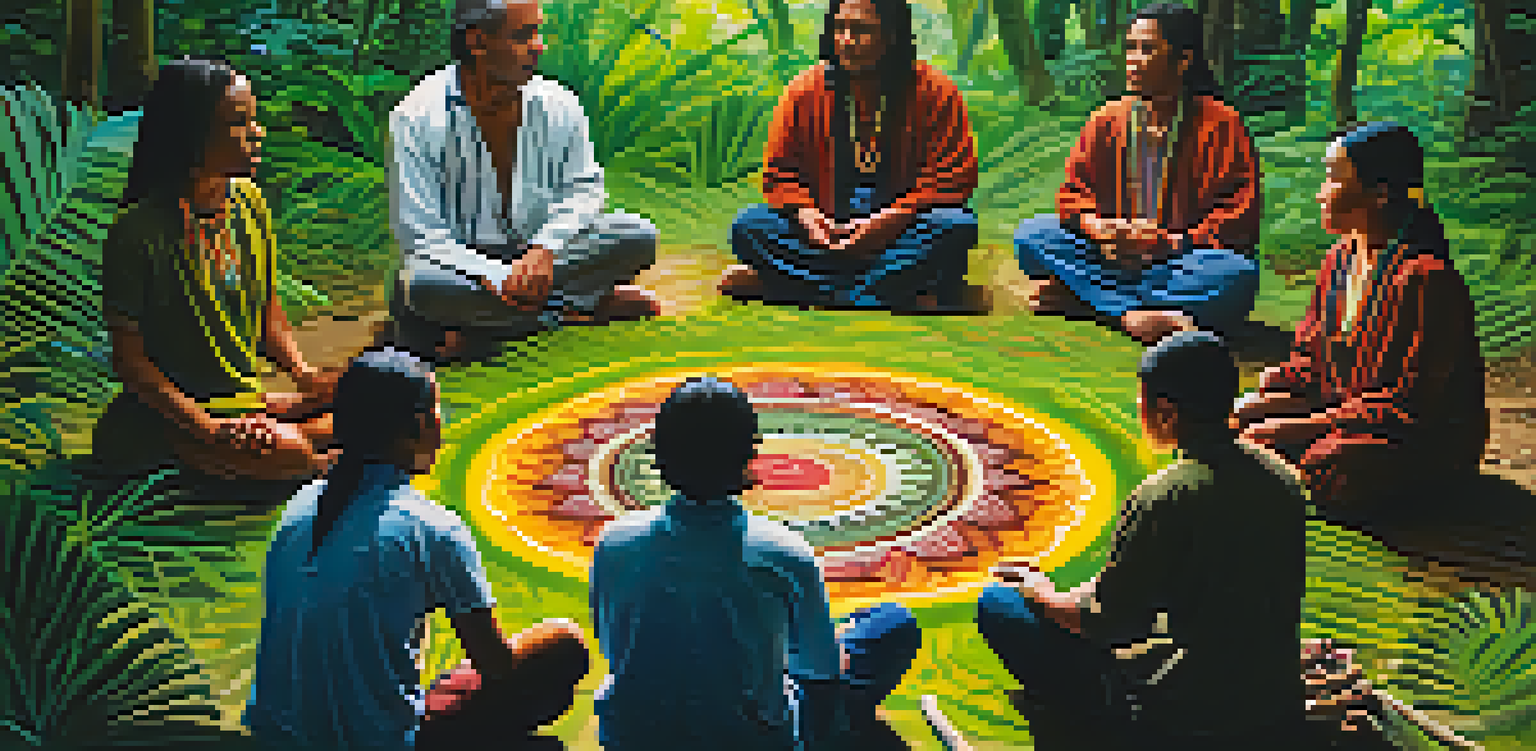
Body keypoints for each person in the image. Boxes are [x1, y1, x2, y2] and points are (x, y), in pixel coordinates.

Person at [244, 348, 589, 750]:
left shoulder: (298, 506)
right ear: (420, 426)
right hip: (377, 741)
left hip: (274, 737)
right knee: (562, 644)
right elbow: (496, 666)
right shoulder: (433, 527)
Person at [976, 332, 1306, 749]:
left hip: (1187, 714)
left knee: (999, 604)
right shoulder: (1281, 475)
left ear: (1166, 413)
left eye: (1142, 400)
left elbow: (1110, 624)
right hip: (1272, 698)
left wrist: (1038, 592)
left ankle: (1098, 716)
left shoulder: (1165, 496)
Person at [589, 376, 923, 750]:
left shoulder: (613, 544)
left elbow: (612, 647)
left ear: (660, 455)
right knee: (890, 624)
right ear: (748, 455)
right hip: (755, 740)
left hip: (631, 740)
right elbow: (821, 673)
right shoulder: (784, 553)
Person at [1231, 122, 1488, 532]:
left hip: (1411, 436)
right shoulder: (1339, 259)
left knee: (1331, 465)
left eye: (1333, 178)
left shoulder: (1426, 278)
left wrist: (1300, 426)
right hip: (1346, 412)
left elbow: (1410, 406)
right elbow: (1311, 358)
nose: (1321, 193)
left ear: (1380, 193)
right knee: (1242, 419)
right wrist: (1277, 387)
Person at [95, 57, 338, 490]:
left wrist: (306, 378)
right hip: (172, 417)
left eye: (253, 120)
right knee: (292, 452)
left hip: (246, 405)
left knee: (375, 405)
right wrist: (207, 427)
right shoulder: (137, 231)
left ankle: (292, 451)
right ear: (191, 134)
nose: (257, 133)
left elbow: (267, 314)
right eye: (239, 123)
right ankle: (303, 459)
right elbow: (132, 364)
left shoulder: (249, 202)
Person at [389, 0, 659, 362]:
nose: (538, 46)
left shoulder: (560, 103)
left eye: (538, 32)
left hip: (543, 259)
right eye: (522, 36)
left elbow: (584, 190)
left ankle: (485, 327)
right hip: (463, 268)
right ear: (477, 42)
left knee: (637, 237)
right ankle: (566, 312)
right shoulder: (416, 117)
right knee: (421, 286)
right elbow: (422, 237)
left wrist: (544, 249)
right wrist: (498, 276)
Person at [720, 0, 980, 311]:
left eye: (861, 30)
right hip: (826, 230)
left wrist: (890, 220)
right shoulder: (803, 91)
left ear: (892, 35)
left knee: (956, 227)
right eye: (840, 28)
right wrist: (808, 216)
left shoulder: (936, 92)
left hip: (901, 227)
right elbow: (780, 175)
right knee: (749, 227)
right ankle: (896, 290)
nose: (846, 40)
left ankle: (794, 287)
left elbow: (954, 178)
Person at [1013, 2, 1262, 344]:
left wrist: (1169, 243)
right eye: (1130, 48)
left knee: (1236, 276)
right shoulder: (1105, 119)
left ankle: (1088, 301)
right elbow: (1073, 195)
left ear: (1183, 60)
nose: (1133, 60)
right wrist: (1098, 229)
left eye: (1147, 49)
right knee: (1031, 235)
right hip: (1109, 256)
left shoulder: (1223, 124)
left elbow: (1239, 219)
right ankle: (1131, 312)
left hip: (1180, 261)